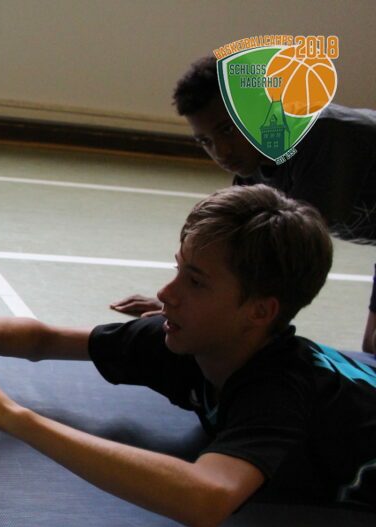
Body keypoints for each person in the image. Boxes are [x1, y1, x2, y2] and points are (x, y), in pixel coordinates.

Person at [0, 185, 376, 527]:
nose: (166, 293)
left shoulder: (279, 390)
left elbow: (207, 499)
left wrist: (14, 418)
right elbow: (46, 340)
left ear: (259, 311)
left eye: (196, 281)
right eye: (178, 269)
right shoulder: (180, 339)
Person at [110, 55, 376, 354]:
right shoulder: (253, 161)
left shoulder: (324, 137)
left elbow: (287, 262)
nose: (221, 151)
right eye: (205, 141)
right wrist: (180, 301)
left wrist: (192, 309)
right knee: (371, 351)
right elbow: (228, 250)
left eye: (227, 129)